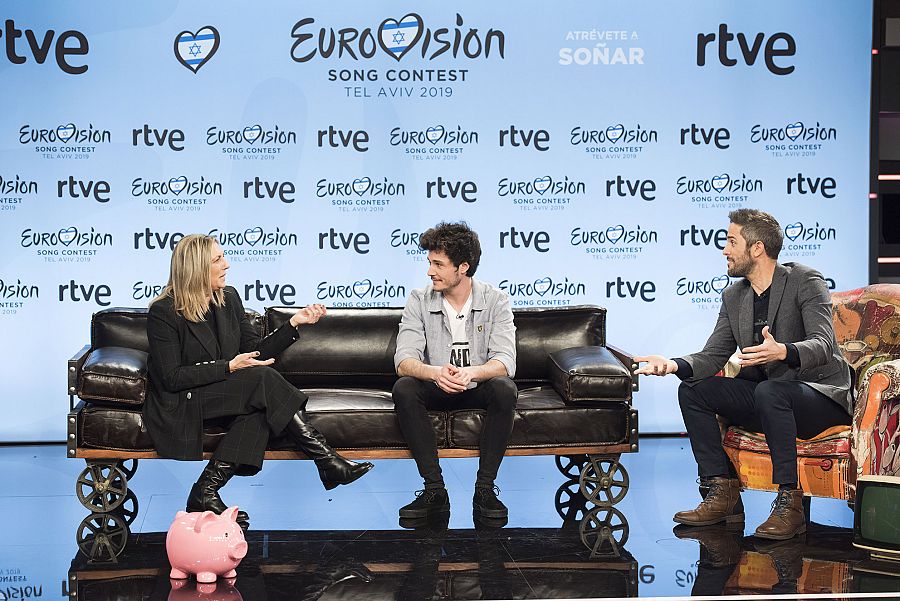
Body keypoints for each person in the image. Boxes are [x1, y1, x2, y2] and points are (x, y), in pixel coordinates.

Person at [634, 209, 852, 540]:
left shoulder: (805, 281)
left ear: (757, 248)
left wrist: (784, 351)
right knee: (694, 390)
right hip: (771, 399)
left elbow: (823, 345)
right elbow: (713, 355)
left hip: (818, 398)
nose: (724, 250)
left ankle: (789, 503)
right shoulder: (734, 296)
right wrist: (672, 364)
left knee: (771, 391)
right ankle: (721, 492)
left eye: (731, 241)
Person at [145, 234, 372, 527]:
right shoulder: (164, 311)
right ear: (196, 267)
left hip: (223, 392)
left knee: (261, 402)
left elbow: (255, 354)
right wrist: (228, 366)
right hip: (183, 401)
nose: (226, 264)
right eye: (217, 260)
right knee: (262, 381)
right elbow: (172, 377)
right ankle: (325, 458)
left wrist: (293, 323)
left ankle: (206, 490)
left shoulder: (229, 298)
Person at [392, 222, 518, 523]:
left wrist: (471, 373)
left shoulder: (496, 300)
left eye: (438, 264)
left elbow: (505, 361)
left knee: (504, 388)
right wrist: (435, 373)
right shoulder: (419, 300)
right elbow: (403, 360)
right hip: (436, 386)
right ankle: (434, 490)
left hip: (476, 386)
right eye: (429, 263)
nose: (430, 271)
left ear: (464, 267)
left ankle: (485, 489)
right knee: (405, 388)